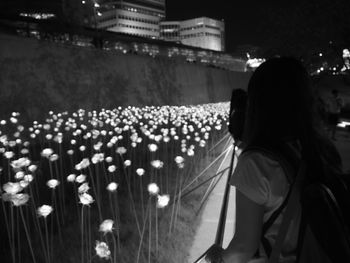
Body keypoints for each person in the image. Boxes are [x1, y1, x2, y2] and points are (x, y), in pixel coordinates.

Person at [205, 57, 342, 263]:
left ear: (257, 104)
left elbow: (243, 248)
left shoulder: (257, 162)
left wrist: (219, 256)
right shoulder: (321, 149)